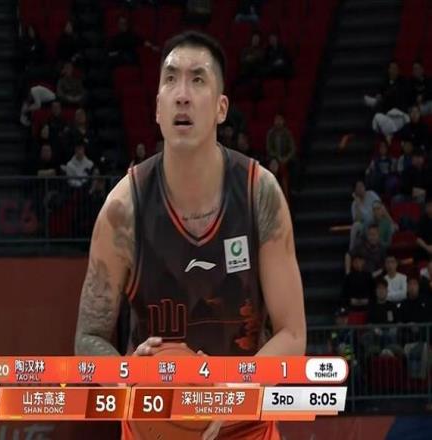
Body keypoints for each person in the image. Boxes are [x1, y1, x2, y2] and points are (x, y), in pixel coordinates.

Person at [74, 31, 305, 440]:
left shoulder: (260, 194)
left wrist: (231, 395)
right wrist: (127, 377)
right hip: (154, 425)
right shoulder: (123, 209)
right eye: (171, 80)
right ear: (157, 108)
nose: (182, 95)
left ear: (221, 108)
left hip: (245, 424)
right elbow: (88, 339)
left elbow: (292, 334)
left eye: (198, 80)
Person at [349, 180, 381, 250]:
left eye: (362, 186)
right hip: (364, 226)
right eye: (358, 187)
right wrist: (358, 205)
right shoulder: (354, 204)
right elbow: (357, 220)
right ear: (355, 191)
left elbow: (380, 209)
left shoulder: (371, 194)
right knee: (355, 226)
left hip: (375, 222)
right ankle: (351, 250)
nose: (361, 188)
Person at [416, 199, 432, 263]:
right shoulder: (422, 220)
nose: (429, 208)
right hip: (425, 248)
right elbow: (418, 239)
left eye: (431, 205)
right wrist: (427, 247)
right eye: (428, 206)